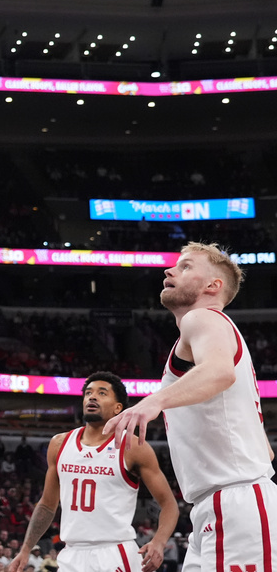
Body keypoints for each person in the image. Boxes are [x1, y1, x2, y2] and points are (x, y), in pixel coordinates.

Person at [106, 242, 277, 570]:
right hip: (216, 506)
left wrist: (154, 401)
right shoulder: (210, 332)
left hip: (236, 502)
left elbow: (219, 372)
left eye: (185, 266)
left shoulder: (203, 317)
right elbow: (266, 452)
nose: (170, 271)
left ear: (213, 286)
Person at [9, 371, 178, 572]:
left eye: (102, 393)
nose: (92, 397)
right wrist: (26, 549)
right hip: (71, 554)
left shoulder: (132, 447)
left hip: (114, 552)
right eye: (88, 393)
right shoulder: (59, 444)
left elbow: (169, 504)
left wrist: (158, 542)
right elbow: (47, 505)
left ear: (118, 408)